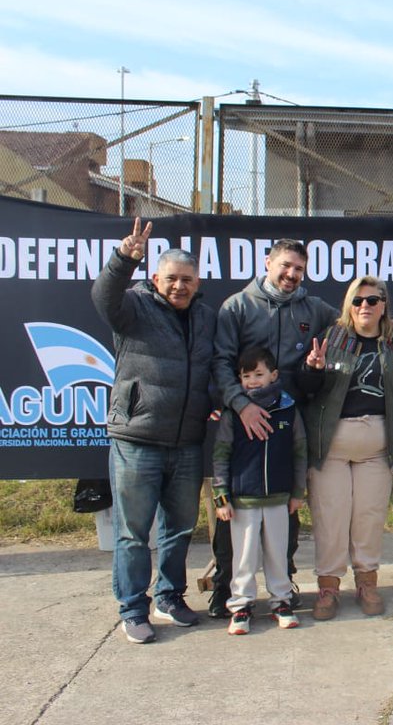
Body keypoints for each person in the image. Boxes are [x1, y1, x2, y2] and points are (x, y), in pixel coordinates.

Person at [210, 238, 393, 618]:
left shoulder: (313, 308)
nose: (291, 274)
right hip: (247, 423)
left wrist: (391, 322)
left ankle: (283, 592)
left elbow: (357, 320)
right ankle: (226, 592)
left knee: (285, 513)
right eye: (285, 265)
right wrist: (241, 405)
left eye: (298, 269)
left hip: (289, 424)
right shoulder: (238, 306)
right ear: (267, 263)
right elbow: (220, 363)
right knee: (237, 512)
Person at [91, 218, 216, 644]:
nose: (179, 286)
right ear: (156, 279)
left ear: (198, 283)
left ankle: (169, 597)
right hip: (137, 440)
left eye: (187, 280)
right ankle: (132, 608)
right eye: (172, 279)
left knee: (179, 529)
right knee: (133, 533)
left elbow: (214, 367)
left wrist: (213, 401)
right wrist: (123, 258)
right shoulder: (133, 306)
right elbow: (103, 296)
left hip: (186, 443)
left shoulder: (206, 318)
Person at [300, 276, 393, 620]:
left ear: (384, 305)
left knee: (369, 518)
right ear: (348, 304)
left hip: (376, 447)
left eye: (373, 300)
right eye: (358, 300)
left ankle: (367, 583)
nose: (365, 306)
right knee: (330, 517)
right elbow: (306, 388)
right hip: (331, 446)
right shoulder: (331, 337)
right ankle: (329, 587)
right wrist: (312, 369)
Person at [212, 346, 307, 635]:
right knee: (244, 557)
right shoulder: (233, 413)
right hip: (242, 501)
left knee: (278, 553)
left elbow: (300, 451)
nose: (252, 381)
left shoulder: (288, 408)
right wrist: (221, 497)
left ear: (273, 375)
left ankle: (281, 601)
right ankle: (241, 605)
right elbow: (220, 455)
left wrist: (298, 492)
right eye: (246, 376)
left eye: (258, 374)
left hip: (279, 498)